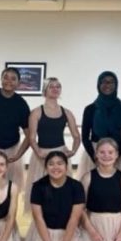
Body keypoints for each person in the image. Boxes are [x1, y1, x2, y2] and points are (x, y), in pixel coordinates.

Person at [25, 150, 88, 241]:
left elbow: (74, 218)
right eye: (51, 164)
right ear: (45, 167)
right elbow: (38, 218)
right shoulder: (38, 187)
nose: (55, 167)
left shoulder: (76, 187)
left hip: (68, 233)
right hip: (45, 232)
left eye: (60, 163)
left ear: (66, 166)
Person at [24, 76, 81, 213]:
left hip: (60, 154)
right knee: (42, 191)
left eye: (58, 86)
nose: (55, 89)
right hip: (42, 155)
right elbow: (31, 137)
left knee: (61, 190)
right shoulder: (36, 112)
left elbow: (77, 136)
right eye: (52, 86)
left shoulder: (66, 112)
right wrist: (39, 153)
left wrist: (73, 151)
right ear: (45, 90)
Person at [81, 71, 121, 174]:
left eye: (111, 82)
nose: (108, 85)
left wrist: (116, 156)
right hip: (94, 153)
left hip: (118, 153)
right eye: (104, 82)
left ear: (116, 85)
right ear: (99, 85)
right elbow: (85, 137)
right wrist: (95, 157)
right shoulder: (90, 109)